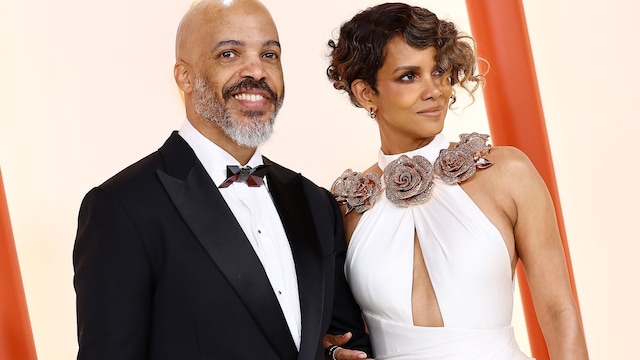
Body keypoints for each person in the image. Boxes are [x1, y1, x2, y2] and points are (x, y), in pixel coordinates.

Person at [72, 0, 371, 359]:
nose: (256, 71)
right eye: (229, 54)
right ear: (184, 76)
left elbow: (345, 338)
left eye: (270, 55)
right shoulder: (122, 207)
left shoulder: (314, 202)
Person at [324, 3, 589, 359]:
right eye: (409, 76)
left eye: (439, 71)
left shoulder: (507, 172)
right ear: (365, 93)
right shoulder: (347, 205)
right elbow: (330, 330)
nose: (435, 90)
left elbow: (559, 313)